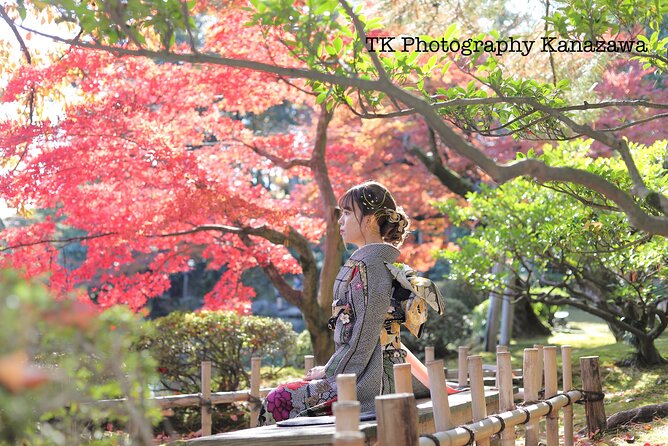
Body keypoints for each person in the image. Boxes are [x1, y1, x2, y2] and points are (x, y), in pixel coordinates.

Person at [257, 181, 411, 426]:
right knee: (282, 395)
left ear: (371, 220)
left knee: (279, 399)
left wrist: (331, 371)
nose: (340, 221)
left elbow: (365, 333)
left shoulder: (370, 267)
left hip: (368, 380)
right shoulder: (370, 264)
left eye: (348, 214)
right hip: (365, 369)